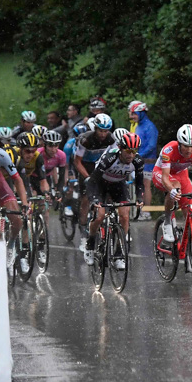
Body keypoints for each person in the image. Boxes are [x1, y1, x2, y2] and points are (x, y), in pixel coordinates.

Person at [84, 132, 144, 267]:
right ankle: (90, 243)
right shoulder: (109, 158)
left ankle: (118, 253)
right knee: (99, 216)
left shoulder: (138, 161)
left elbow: (140, 183)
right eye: (128, 151)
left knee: (124, 216)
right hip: (100, 184)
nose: (131, 155)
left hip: (118, 185)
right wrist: (94, 199)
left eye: (134, 151)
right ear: (120, 148)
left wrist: (140, 197)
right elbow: (93, 181)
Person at [152, 124, 192, 244]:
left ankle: (189, 246)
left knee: (190, 208)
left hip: (181, 174)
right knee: (174, 186)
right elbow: (165, 178)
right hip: (161, 173)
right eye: (186, 146)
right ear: (179, 143)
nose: (189, 150)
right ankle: (167, 221)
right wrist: (171, 190)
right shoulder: (169, 150)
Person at [73, 113, 116, 251]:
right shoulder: (86, 140)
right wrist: (87, 178)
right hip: (86, 166)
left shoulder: (111, 139)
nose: (103, 134)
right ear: (95, 128)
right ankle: (83, 235)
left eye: (105, 131)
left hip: (101, 166)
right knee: (86, 199)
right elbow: (77, 162)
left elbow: (114, 157)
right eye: (100, 130)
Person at [0, 137, 30, 277]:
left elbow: (17, 180)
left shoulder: (2, 155)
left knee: (17, 219)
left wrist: (25, 203)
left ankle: (11, 245)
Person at [128, 101, 158, 220]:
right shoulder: (139, 125)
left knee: (146, 185)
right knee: (139, 184)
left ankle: (147, 211)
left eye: (134, 114)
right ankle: (140, 210)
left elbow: (152, 145)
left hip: (147, 161)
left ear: (141, 113)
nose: (132, 116)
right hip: (138, 159)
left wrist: (138, 155)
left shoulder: (150, 126)